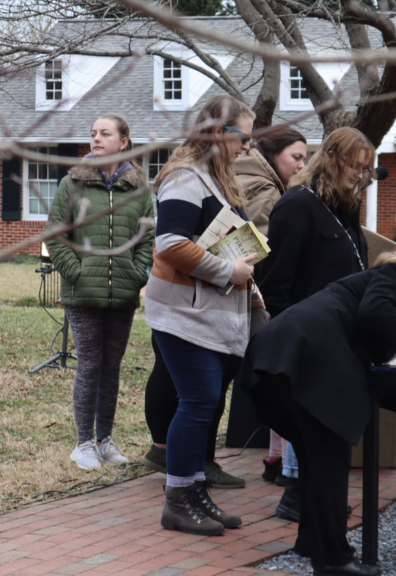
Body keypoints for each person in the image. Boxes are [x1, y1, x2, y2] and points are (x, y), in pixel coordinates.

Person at [242, 246, 396, 576]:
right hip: (306, 360)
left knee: (316, 460)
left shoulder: (375, 291)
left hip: (281, 359)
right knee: (329, 461)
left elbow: (373, 379)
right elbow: (374, 313)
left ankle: (312, 540)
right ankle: (334, 560)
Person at [144, 94, 256, 536]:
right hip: (182, 314)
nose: (247, 146)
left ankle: (193, 493)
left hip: (212, 313)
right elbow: (170, 243)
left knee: (204, 404)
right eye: (243, 137)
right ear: (217, 132)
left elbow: (227, 242)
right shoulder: (186, 179)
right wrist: (231, 271)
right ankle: (176, 501)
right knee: (197, 403)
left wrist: (250, 282)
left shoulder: (215, 179)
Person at [259, 126, 375, 520]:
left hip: (342, 335)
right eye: (354, 167)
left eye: (366, 170)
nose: (360, 175)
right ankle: (299, 497)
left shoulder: (345, 206)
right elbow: (275, 281)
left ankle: (313, 498)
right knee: (312, 423)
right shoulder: (296, 205)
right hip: (308, 334)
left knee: (330, 427)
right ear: (330, 159)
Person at [46, 114, 155, 471]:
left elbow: (147, 239)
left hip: (122, 294)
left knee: (112, 368)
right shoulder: (72, 184)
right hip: (83, 294)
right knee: (90, 365)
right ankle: (83, 443)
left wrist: (138, 275)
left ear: (123, 142)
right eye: (92, 133)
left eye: (104, 134)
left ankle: (105, 440)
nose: (95, 139)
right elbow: (55, 235)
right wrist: (76, 273)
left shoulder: (139, 189)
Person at [236, 127, 307, 482]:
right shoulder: (266, 189)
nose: (300, 165)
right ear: (272, 154)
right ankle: (281, 463)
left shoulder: (247, 174)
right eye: (296, 157)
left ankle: (276, 458)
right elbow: (269, 246)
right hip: (257, 295)